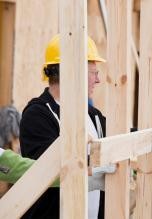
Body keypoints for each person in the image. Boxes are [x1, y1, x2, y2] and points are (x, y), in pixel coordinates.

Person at [19, 35, 108, 219]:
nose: (98, 80)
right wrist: (97, 173)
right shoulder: (37, 115)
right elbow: (49, 173)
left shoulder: (93, 115)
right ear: (75, 72)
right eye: (93, 72)